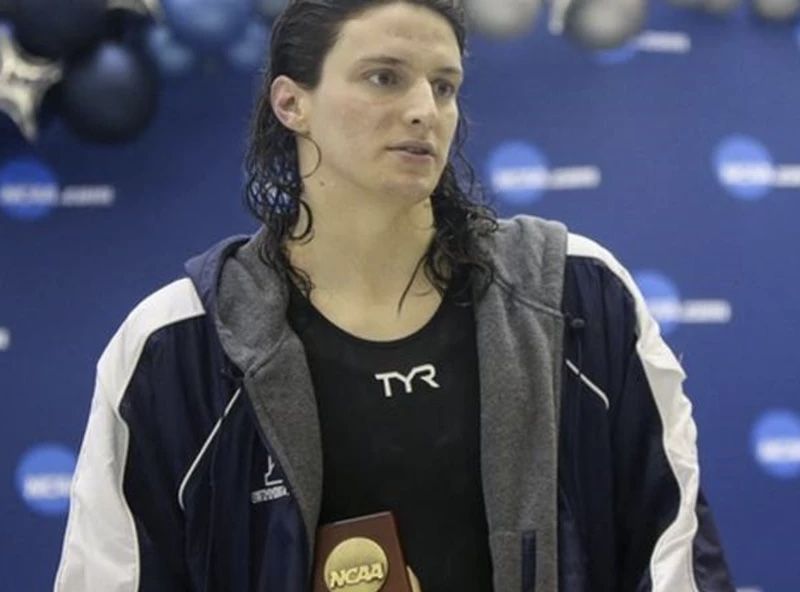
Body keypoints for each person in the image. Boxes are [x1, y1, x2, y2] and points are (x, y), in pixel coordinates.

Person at [53, 0, 736, 590]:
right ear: (291, 103)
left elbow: (676, 557)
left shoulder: (577, 294)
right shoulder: (177, 344)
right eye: (384, 77)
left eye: (444, 86)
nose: (423, 111)